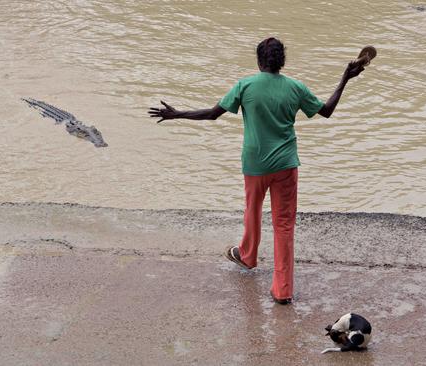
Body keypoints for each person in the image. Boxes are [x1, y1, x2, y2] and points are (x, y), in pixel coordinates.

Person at [148, 37, 364, 304]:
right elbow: (327, 111)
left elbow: (213, 114)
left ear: (259, 61)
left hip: (255, 164)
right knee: (283, 226)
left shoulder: (245, 85)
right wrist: (345, 79)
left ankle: (248, 256)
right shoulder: (295, 87)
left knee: (252, 209)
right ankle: (282, 290)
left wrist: (177, 114)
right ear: (282, 62)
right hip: (286, 165)